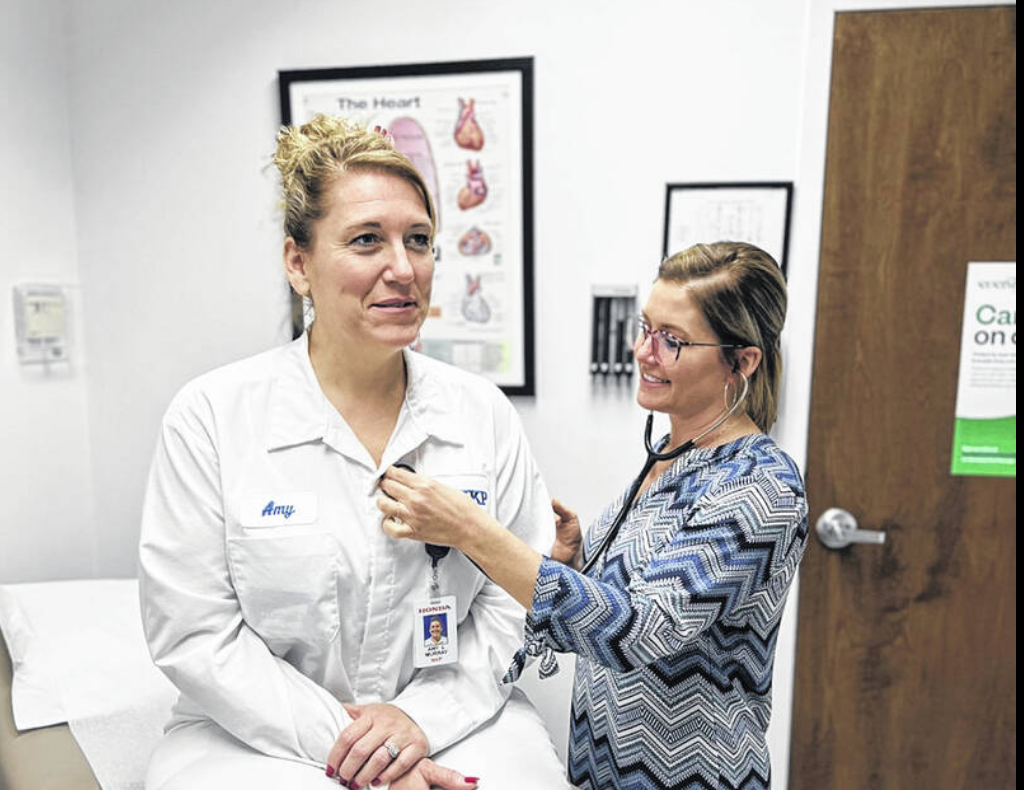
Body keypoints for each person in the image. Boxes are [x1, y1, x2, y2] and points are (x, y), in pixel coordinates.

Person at [138, 115, 568, 790]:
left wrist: (416, 723)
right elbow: (195, 632)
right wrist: (361, 748)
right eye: (367, 240)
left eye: (419, 241)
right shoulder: (213, 417)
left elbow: (513, 602)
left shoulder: (480, 414)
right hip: (254, 736)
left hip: (453, 717)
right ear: (297, 262)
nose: (403, 268)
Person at [378, 242, 809, 790]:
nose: (642, 351)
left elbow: (643, 633)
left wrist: (469, 531)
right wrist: (578, 562)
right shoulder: (671, 458)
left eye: (671, 340)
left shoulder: (761, 483)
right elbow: (627, 606)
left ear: (742, 362)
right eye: (646, 327)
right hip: (599, 771)